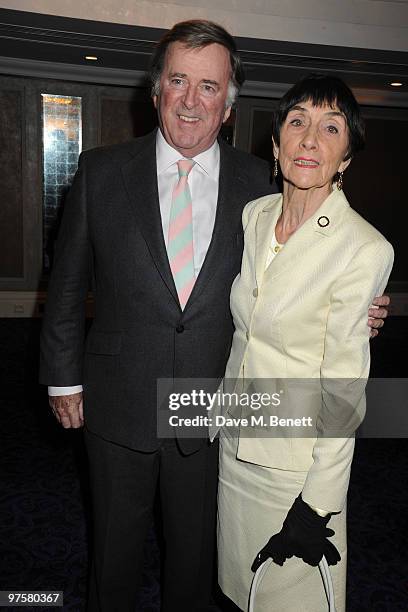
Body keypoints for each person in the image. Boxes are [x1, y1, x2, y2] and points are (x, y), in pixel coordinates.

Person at [39, 20, 388, 612]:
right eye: (179, 81)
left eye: (209, 87)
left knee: (197, 562)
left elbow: (300, 264)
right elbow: (67, 285)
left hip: (213, 410)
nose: (192, 100)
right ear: (156, 92)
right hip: (117, 400)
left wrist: (360, 308)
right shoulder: (102, 170)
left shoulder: (259, 188)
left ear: (228, 107)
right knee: (113, 558)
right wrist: (62, 376)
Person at [215, 74, 394, 612]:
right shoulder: (255, 217)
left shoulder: (363, 249)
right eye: (298, 123)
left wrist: (316, 506)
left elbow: (344, 393)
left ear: (346, 158)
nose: (311, 139)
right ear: (276, 145)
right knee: (236, 594)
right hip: (235, 448)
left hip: (296, 470)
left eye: (330, 127)